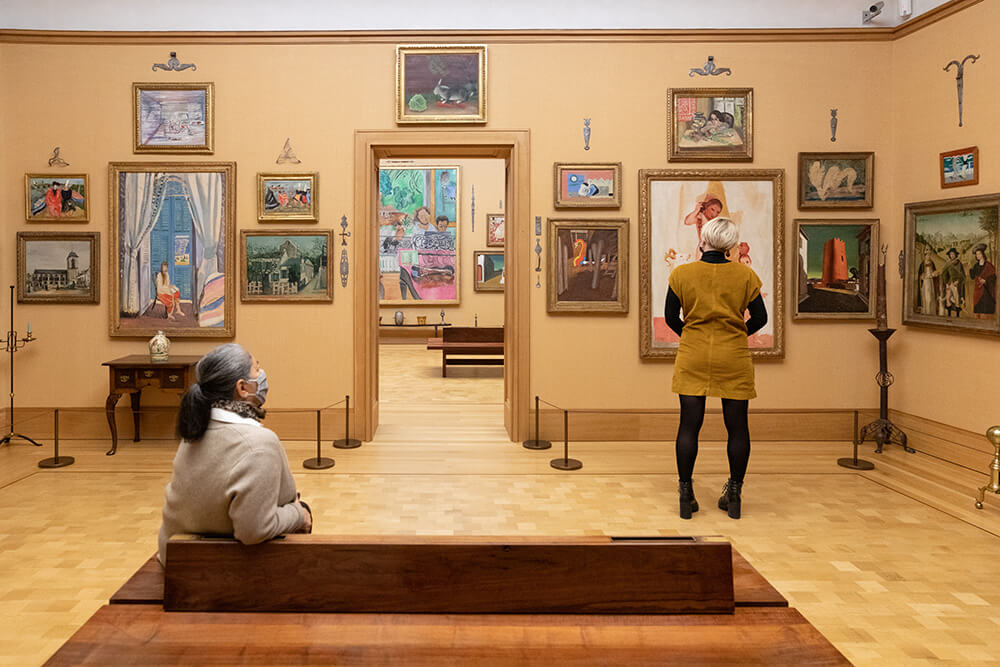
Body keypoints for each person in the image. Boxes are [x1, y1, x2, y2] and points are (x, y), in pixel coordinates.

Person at [157, 344, 312, 565]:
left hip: (178, 562)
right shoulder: (258, 445)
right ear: (242, 387)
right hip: (219, 572)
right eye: (257, 370)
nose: (263, 376)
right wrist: (299, 513)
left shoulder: (195, 432)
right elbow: (254, 530)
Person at [664, 217, 767, 520]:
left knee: (688, 426)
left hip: (693, 354)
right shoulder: (745, 276)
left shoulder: (682, 274)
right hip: (732, 355)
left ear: (703, 240)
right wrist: (736, 333)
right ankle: (734, 494)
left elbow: (670, 317)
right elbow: (759, 319)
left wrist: (692, 335)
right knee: (737, 428)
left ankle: (686, 493)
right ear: (731, 246)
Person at [970, 243, 996, 317]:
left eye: (979, 254)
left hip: (986, 290)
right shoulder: (976, 266)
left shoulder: (988, 265)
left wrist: (986, 281)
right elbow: (972, 277)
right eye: (976, 254)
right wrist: (971, 269)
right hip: (978, 290)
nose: (978, 256)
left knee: (987, 310)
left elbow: (994, 277)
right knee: (978, 309)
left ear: (983, 254)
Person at [939, 247, 966, 317]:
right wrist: (946, 283)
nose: (952, 256)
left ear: (955, 255)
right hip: (949, 283)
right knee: (948, 298)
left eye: (953, 254)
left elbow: (963, 275)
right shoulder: (947, 263)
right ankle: (949, 314)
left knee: (957, 299)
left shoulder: (959, 263)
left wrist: (958, 281)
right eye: (951, 254)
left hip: (956, 284)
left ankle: (957, 315)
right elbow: (944, 274)